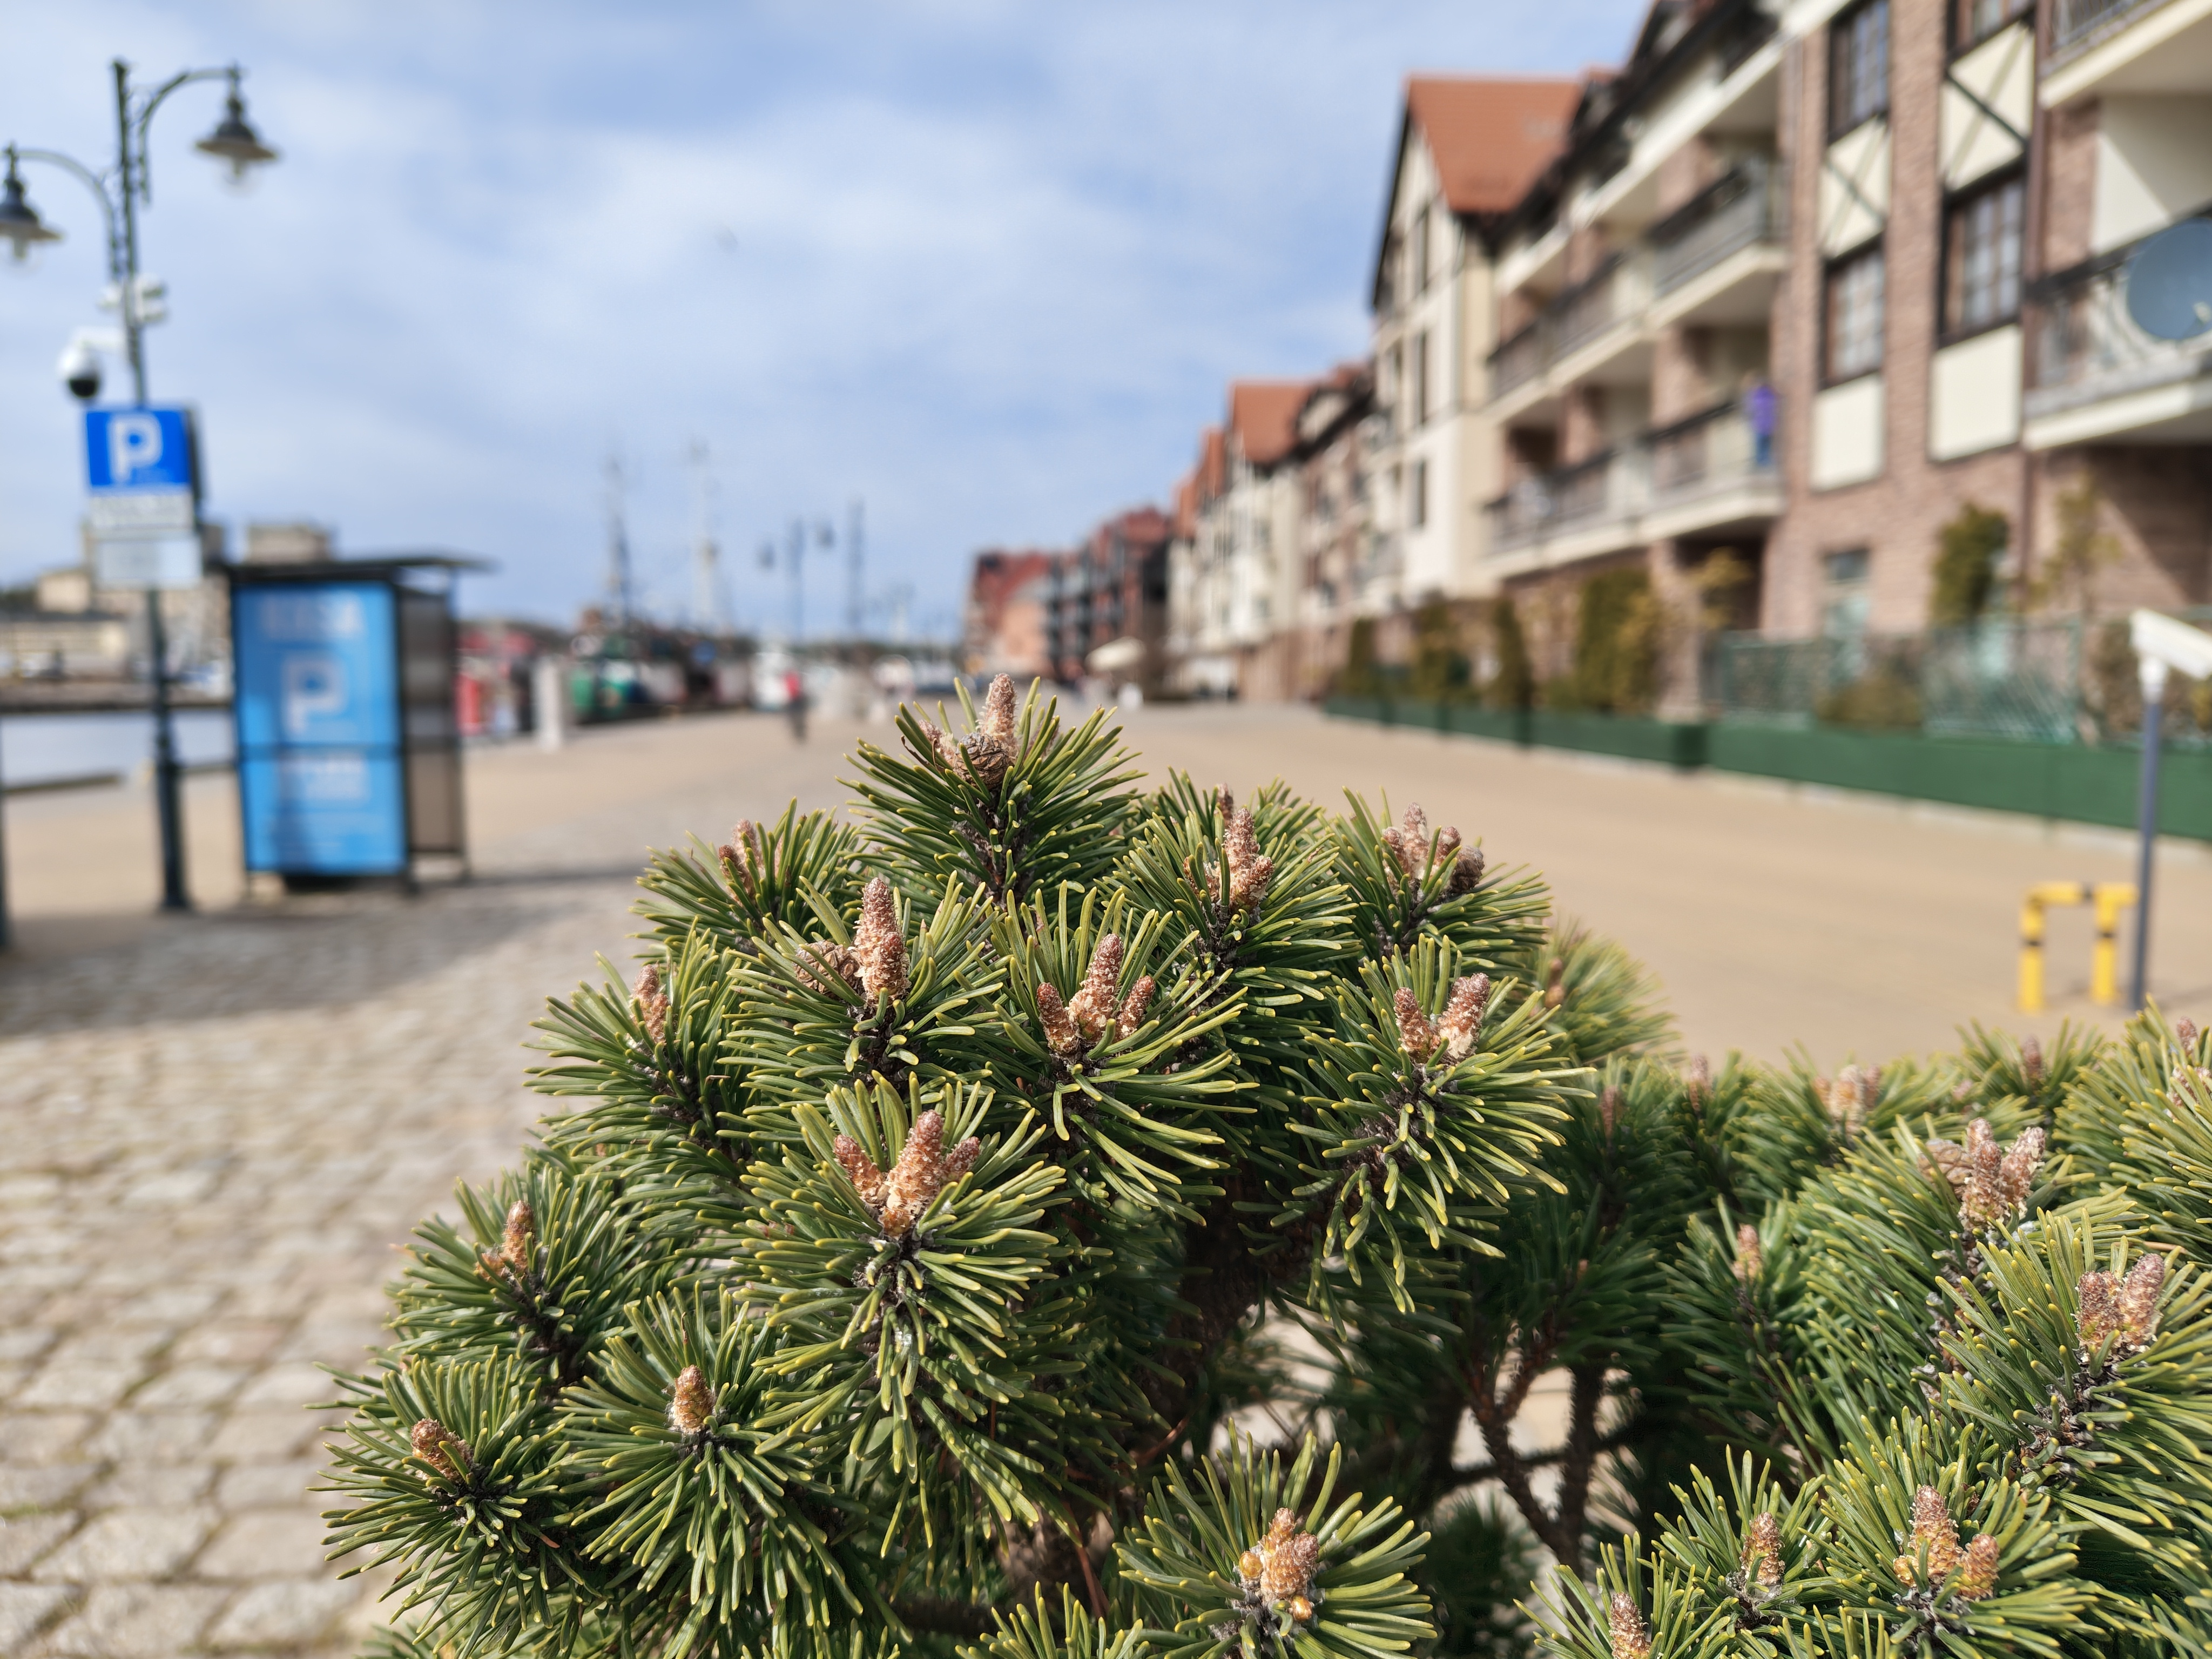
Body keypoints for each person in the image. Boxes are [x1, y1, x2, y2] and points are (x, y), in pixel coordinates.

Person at [1743, 373, 1777, 470]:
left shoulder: (1755, 396)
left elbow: (1750, 410)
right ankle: (1764, 464)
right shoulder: (1770, 395)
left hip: (1760, 425)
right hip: (1767, 425)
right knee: (1765, 446)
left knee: (1761, 446)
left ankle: (1761, 465)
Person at [784, 666, 807, 743]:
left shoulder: (795, 680)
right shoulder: (791, 680)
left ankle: (799, 734)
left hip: (797, 700)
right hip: (793, 700)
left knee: (798, 718)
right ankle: (798, 734)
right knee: (795, 718)